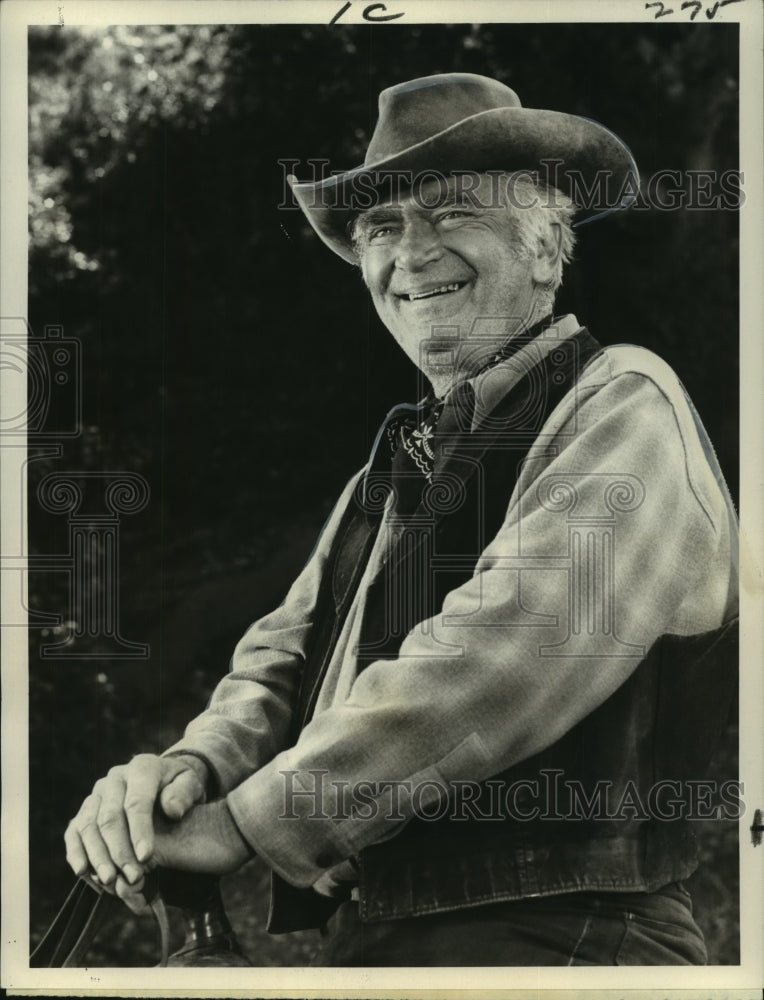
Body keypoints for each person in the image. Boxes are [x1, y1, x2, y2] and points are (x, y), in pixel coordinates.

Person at [65, 73, 738, 966]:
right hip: (380, 938)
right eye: (382, 227)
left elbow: (508, 652)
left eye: (452, 212)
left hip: (575, 941)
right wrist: (186, 778)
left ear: (545, 250)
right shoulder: (389, 468)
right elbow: (280, 663)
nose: (409, 255)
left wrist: (247, 823)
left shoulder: (624, 401)